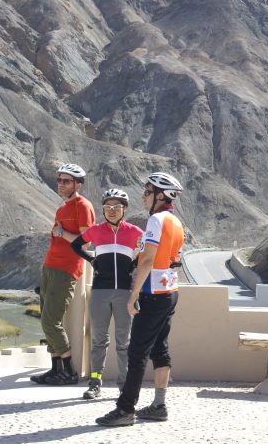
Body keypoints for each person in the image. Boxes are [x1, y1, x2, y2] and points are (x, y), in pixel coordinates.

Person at [97, 172, 184, 427]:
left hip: (153, 293)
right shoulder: (175, 221)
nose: (143, 197)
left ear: (161, 196)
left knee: (136, 352)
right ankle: (159, 405)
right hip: (170, 291)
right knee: (160, 349)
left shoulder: (156, 220)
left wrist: (133, 293)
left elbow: (147, 259)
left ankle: (125, 409)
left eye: (148, 192)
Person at [69, 188, 143, 400]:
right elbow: (75, 245)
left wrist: (134, 263)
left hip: (124, 292)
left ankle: (124, 386)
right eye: (107, 206)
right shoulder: (95, 230)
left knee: (124, 342)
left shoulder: (135, 231)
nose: (112, 210)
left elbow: (149, 250)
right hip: (100, 291)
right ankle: (95, 383)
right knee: (99, 340)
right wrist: (91, 260)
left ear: (124, 209)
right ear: (102, 209)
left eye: (116, 206)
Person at [30, 163, 95, 386]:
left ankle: (69, 371)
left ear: (78, 184)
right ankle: (55, 368)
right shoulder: (62, 208)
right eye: (59, 180)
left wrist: (62, 233)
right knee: (46, 319)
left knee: (51, 320)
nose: (61, 184)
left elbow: (86, 243)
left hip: (66, 269)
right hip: (50, 266)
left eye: (66, 181)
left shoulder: (83, 206)